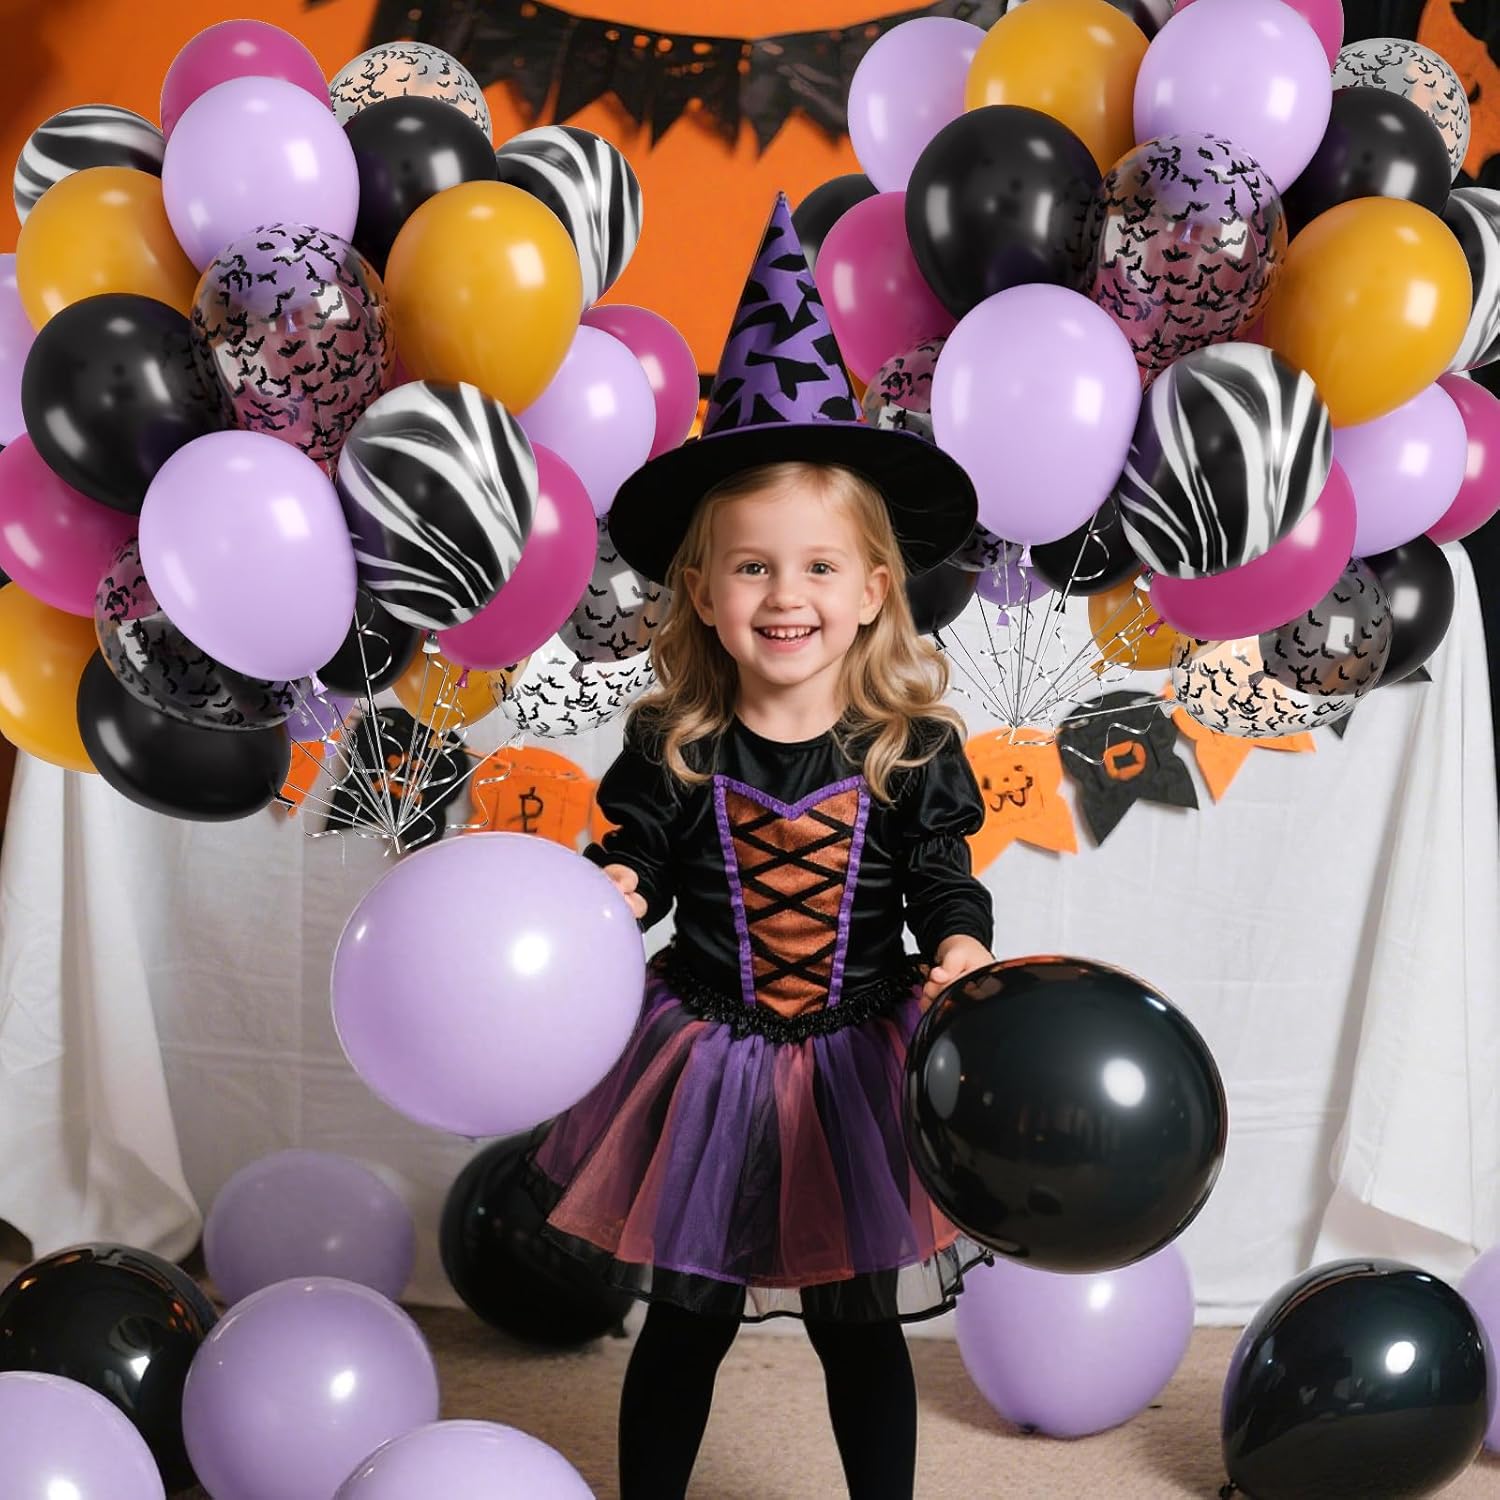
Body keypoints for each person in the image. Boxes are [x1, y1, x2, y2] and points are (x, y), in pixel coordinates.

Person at [524, 194, 995, 1500]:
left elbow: (945, 879)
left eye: (819, 569)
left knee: (858, 1323)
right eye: (750, 569)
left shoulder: (909, 745)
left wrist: (960, 947)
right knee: (689, 1317)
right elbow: (638, 858)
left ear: (874, 589)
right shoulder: (675, 740)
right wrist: (616, 888)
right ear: (700, 590)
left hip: (857, 1050)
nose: (786, 596)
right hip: (710, 1050)